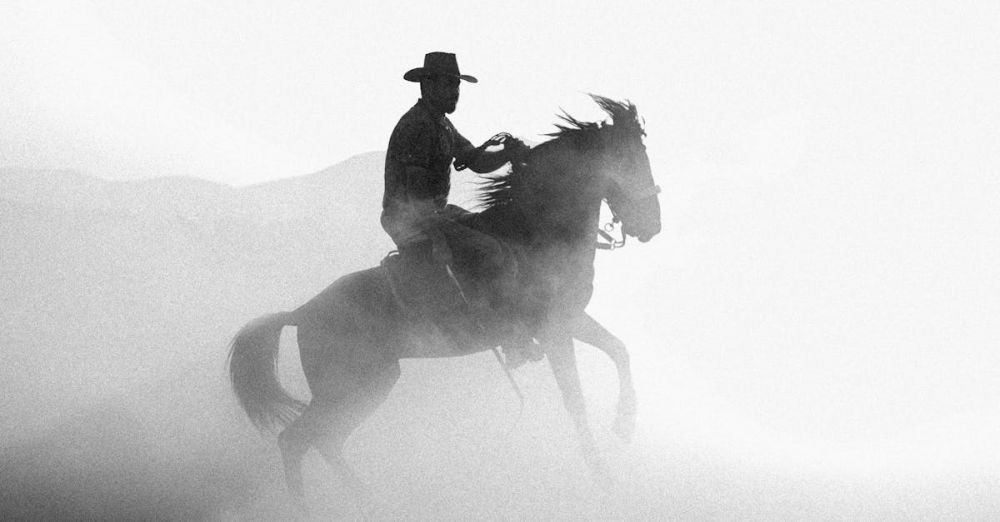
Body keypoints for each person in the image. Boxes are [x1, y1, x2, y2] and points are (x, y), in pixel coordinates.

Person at [381, 52, 533, 365]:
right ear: (426, 86)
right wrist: (437, 239)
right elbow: (415, 193)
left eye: (456, 84)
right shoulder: (418, 127)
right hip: (410, 217)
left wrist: (506, 154)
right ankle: (505, 334)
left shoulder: (441, 124)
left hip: (433, 212)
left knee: (488, 227)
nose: (455, 91)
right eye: (448, 84)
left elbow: (475, 161)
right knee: (489, 251)